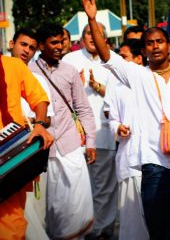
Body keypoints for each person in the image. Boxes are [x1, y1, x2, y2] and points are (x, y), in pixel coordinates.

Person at [82, 0, 170, 240]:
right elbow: (106, 55)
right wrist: (92, 20)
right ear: (145, 50)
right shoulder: (138, 75)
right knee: (158, 232)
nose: (155, 46)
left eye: (160, 41)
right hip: (153, 166)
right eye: (149, 43)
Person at [30, 22, 97, 239]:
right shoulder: (28, 72)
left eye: (62, 41)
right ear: (41, 45)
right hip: (41, 150)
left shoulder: (69, 71)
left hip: (70, 147)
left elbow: (83, 109)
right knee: (48, 208)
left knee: (76, 204)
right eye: (54, 42)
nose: (60, 46)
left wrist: (91, 142)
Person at [63, 22, 118, 240]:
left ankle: (102, 230)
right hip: (74, 137)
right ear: (83, 37)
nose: (92, 37)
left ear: (104, 38)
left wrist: (98, 88)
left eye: (97, 34)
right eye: (88, 33)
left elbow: (120, 96)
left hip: (104, 134)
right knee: (80, 188)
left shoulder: (113, 62)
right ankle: (81, 230)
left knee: (105, 188)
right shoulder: (70, 60)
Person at [0, 54, 54, 240]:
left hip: (8, 158)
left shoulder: (13, 65)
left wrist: (39, 124)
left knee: (11, 227)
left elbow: (39, 98)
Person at [104, 39, 149, 240]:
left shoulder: (152, 79)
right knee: (131, 219)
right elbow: (112, 117)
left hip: (153, 159)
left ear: (138, 59)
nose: (120, 62)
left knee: (156, 217)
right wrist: (118, 127)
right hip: (129, 157)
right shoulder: (115, 84)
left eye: (124, 57)